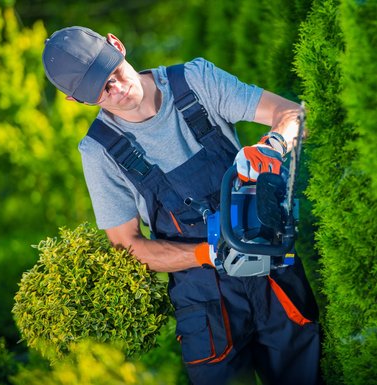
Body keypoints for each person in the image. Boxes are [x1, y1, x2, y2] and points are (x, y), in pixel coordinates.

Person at [42, 26, 321, 385]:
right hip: (205, 304)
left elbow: (293, 114)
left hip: (271, 271)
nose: (116, 89)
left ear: (117, 45)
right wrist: (209, 254)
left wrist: (274, 145)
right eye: (100, 92)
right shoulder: (99, 152)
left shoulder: (194, 81)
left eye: (111, 73)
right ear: (75, 101)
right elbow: (129, 247)